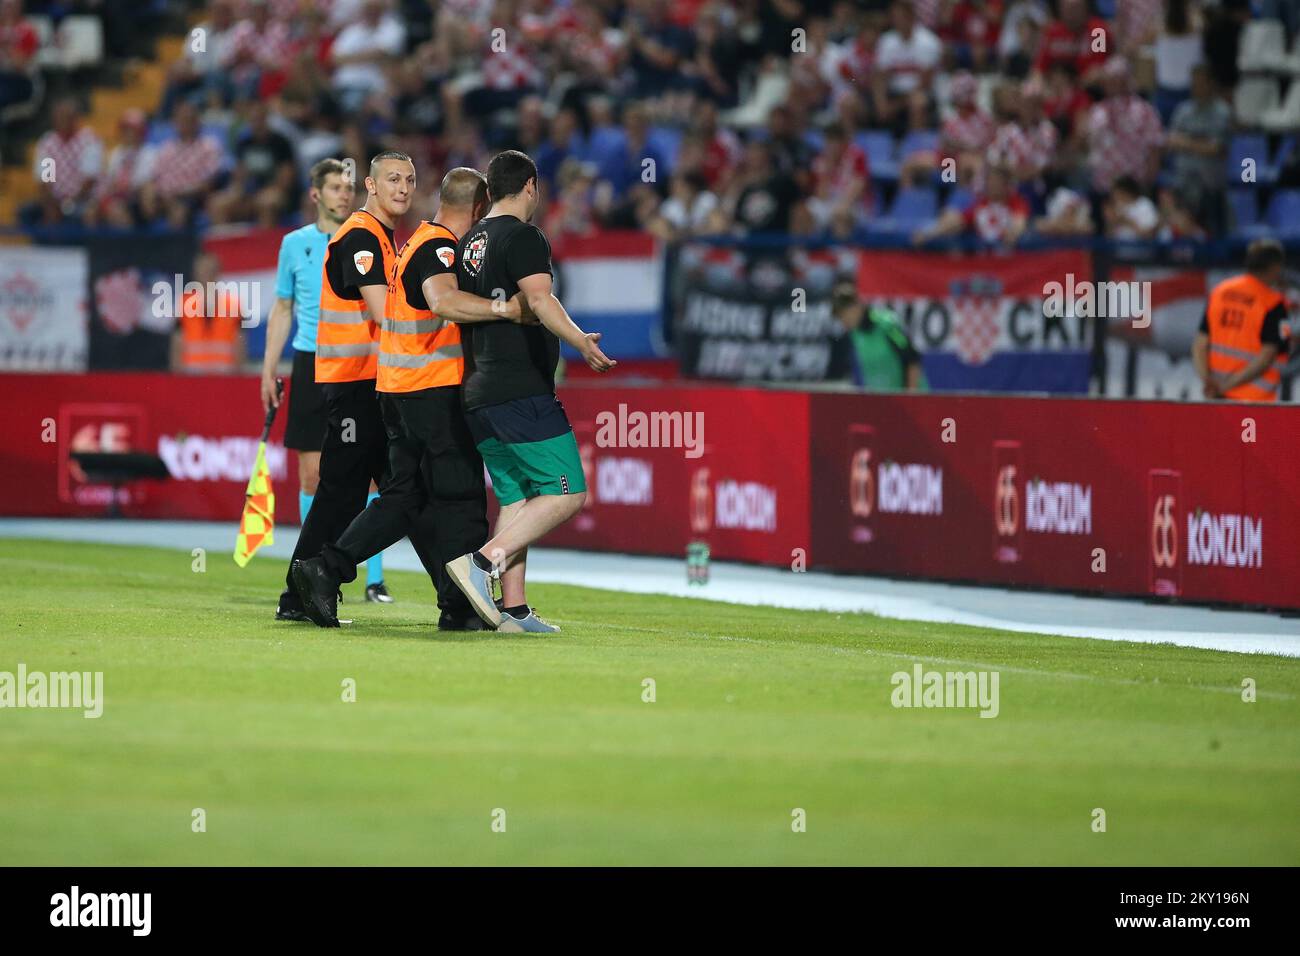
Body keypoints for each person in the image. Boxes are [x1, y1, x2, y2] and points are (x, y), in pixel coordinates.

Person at [290, 166, 536, 631]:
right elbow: (442, 301)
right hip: (429, 392)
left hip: (398, 390)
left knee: (405, 498)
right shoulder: (439, 247)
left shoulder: (415, 242)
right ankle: (460, 607)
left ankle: (326, 568)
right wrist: (508, 309)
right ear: (481, 208)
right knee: (460, 500)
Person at [444, 149, 617, 633]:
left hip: (477, 389)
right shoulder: (524, 236)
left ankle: (513, 610)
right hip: (518, 389)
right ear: (531, 187)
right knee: (566, 493)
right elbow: (540, 298)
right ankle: (481, 564)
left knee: (518, 499)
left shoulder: (470, 241)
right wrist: (580, 340)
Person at [282, 151, 414, 618]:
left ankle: (300, 594)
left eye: (411, 180)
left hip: (366, 380)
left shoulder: (380, 237)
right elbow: (383, 314)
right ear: (372, 186)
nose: (403, 188)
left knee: (378, 489)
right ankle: (303, 589)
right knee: (355, 489)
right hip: (356, 382)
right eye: (393, 179)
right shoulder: (362, 237)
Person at [261, 158, 355, 620]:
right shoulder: (294, 245)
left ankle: (371, 580)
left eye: (348, 187)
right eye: (336, 187)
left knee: (363, 475)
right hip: (309, 361)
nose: (344, 194)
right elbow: (282, 309)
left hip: (354, 361)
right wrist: (267, 370)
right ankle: (307, 573)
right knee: (311, 477)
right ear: (316, 193)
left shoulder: (362, 239)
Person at [1193, 239, 1292, 403]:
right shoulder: (1273, 303)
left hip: (1216, 397)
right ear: (1275, 267)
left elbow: (1200, 343)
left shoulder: (1220, 291)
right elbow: (1268, 355)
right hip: (1255, 400)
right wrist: (1227, 386)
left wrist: (1208, 381)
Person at [831, 279, 924, 391]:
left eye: (844, 314)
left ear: (857, 306)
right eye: (840, 316)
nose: (843, 321)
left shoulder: (887, 324)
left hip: (910, 400)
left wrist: (911, 397)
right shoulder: (854, 334)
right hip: (881, 402)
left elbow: (912, 359)